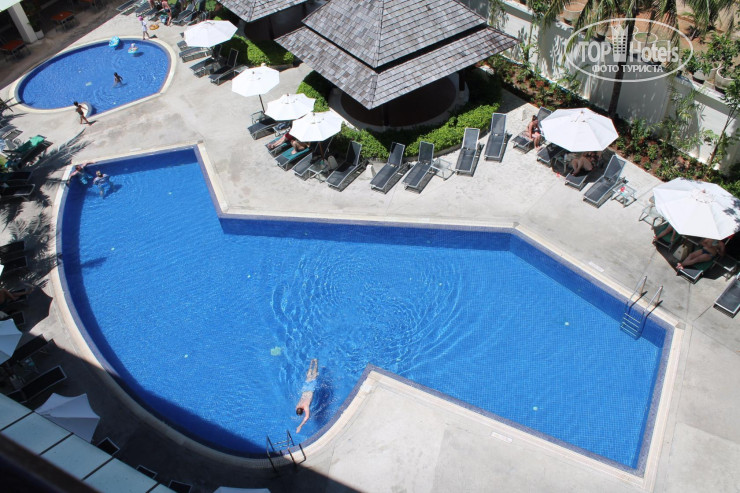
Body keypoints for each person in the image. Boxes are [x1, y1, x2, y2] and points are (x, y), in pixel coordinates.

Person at [295, 358, 318, 433]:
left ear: (303, 410)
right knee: (308, 376)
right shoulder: (298, 406)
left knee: (314, 375)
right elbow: (297, 409)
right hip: (305, 389)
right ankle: (312, 362)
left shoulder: (305, 406)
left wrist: (300, 426)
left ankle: (316, 362)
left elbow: (307, 417)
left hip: (310, 389)